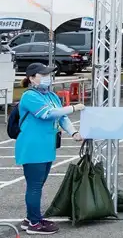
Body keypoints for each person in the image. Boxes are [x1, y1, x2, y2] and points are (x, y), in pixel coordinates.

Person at [16, 63, 85, 235]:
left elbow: (61, 117)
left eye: (49, 74)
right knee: (34, 185)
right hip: (32, 146)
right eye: (43, 74)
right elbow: (47, 114)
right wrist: (74, 107)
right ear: (32, 78)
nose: (48, 77)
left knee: (39, 184)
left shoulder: (52, 95)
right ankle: (33, 222)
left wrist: (74, 132)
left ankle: (32, 217)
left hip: (47, 146)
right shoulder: (29, 96)